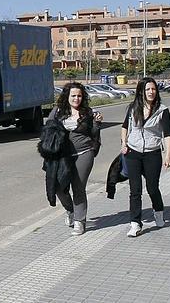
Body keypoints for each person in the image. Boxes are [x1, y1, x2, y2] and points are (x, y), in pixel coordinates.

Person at [47, 82, 102, 236]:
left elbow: (95, 132)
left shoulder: (88, 112)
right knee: (58, 187)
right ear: (67, 96)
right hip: (63, 156)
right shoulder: (58, 111)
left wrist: (97, 123)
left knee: (78, 187)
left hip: (84, 153)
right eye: (73, 96)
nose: (76, 98)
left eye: (79, 95)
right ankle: (70, 210)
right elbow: (48, 130)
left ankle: (80, 221)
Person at [121, 77, 170, 237]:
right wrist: (124, 143)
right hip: (133, 153)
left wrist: (168, 155)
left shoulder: (162, 110)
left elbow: (168, 135)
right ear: (141, 91)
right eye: (147, 89)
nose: (151, 92)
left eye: (153, 89)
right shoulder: (132, 107)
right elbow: (124, 127)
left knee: (152, 188)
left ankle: (158, 211)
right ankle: (135, 223)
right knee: (135, 190)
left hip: (152, 153)